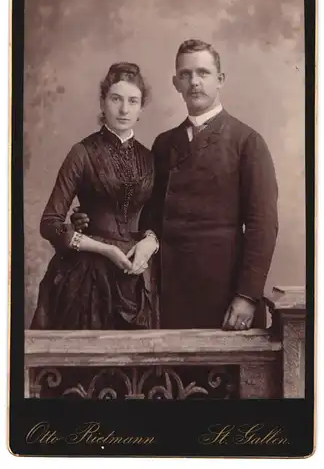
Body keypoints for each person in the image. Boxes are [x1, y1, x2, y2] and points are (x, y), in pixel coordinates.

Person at [72, 39, 279, 332]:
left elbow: (263, 226)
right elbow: (147, 212)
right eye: (185, 75)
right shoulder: (165, 144)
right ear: (175, 82)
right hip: (166, 289)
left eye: (203, 73)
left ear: (220, 80)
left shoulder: (247, 142)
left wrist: (247, 295)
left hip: (223, 292)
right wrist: (91, 215)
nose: (194, 82)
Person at [30, 62, 159, 331]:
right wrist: (105, 249)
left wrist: (150, 241)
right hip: (88, 278)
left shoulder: (149, 158)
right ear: (103, 103)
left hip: (136, 276)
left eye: (132, 101)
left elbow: (155, 218)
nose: (124, 109)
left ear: (141, 108)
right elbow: (50, 223)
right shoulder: (82, 152)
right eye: (116, 99)